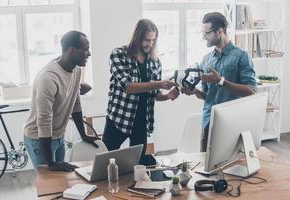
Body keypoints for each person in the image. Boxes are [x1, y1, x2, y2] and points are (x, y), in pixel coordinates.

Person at [23, 31, 99, 171]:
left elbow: (75, 103)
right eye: (86, 49)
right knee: (49, 184)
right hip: (39, 139)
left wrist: (83, 135)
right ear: (72, 50)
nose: (89, 54)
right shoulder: (48, 78)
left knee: (62, 180)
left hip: (58, 136)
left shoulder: (76, 69)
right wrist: (50, 163)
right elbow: (44, 120)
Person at [102, 19, 180, 155]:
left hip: (142, 121)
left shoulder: (155, 62)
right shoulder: (118, 54)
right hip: (119, 118)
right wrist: (160, 83)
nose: (150, 44)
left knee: (138, 165)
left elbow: (155, 95)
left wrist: (167, 96)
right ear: (136, 37)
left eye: (153, 40)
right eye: (146, 40)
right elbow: (128, 87)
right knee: (106, 159)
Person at [182, 12, 257, 152]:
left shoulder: (241, 56)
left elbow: (251, 92)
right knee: (205, 167)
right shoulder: (206, 60)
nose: (203, 37)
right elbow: (207, 95)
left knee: (230, 168)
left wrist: (221, 81)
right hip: (208, 121)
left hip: (232, 124)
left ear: (220, 32)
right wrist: (195, 92)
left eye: (207, 33)